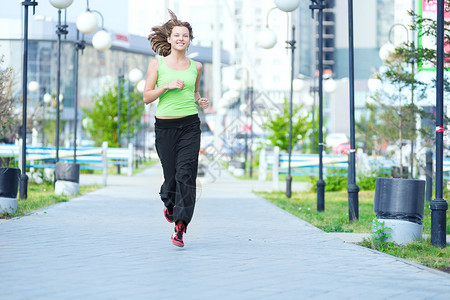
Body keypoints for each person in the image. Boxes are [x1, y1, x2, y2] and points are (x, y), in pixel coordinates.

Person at [143, 10, 209, 248]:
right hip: (165, 128)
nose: (181, 38)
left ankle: (180, 226)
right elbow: (147, 97)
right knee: (171, 177)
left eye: (186, 35)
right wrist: (167, 86)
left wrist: (199, 100)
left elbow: (193, 93)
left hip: (190, 125)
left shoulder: (197, 67)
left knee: (186, 175)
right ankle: (169, 203)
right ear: (169, 38)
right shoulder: (157, 64)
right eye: (177, 34)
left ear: (190, 40)